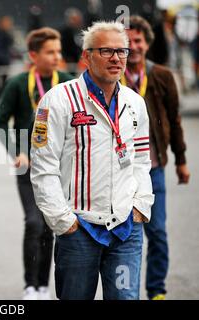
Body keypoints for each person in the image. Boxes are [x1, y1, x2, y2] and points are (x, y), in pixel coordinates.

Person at [30, 21, 154, 300]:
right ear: (86, 57)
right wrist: (64, 222)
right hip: (79, 230)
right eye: (106, 51)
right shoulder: (57, 100)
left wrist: (140, 207)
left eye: (121, 51)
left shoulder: (135, 103)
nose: (116, 58)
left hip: (125, 229)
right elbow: (43, 169)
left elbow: (141, 161)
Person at [0, 27, 73, 300]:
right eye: (50, 52)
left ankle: (43, 285)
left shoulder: (66, 82)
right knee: (33, 222)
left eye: (59, 51)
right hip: (27, 167)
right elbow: (0, 121)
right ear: (33, 55)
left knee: (50, 224)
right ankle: (30, 285)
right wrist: (17, 151)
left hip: (59, 169)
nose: (57, 57)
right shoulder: (17, 84)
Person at [123, 15, 190, 300]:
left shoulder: (161, 75)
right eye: (127, 42)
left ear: (147, 43)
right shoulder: (113, 74)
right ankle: (125, 291)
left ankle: (156, 290)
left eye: (138, 40)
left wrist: (181, 159)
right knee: (124, 235)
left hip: (154, 168)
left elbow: (174, 120)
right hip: (121, 170)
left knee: (157, 233)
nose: (133, 46)